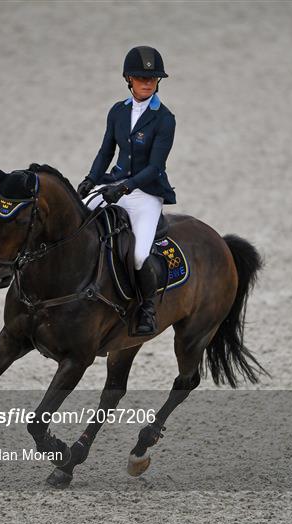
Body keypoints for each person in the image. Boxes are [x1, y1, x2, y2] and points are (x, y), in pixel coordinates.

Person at [78, 45, 176, 336]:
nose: (147, 82)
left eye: (152, 78)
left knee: (138, 255)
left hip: (145, 193)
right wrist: (91, 178)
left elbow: (155, 167)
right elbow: (106, 150)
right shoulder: (118, 112)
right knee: (77, 222)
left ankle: (147, 309)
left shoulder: (164, 118)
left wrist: (124, 187)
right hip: (113, 184)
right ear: (128, 79)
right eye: (140, 77)